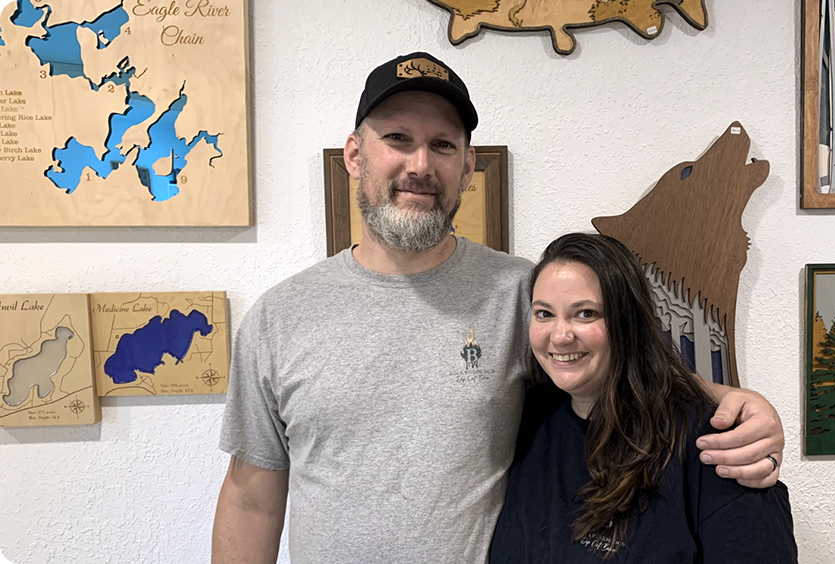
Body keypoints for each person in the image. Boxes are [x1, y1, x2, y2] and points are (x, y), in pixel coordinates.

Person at [212, 52, 786, 564]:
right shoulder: (280, 317)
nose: (420, 164)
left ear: (466, 168)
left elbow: (619, 360)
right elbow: (250, 497)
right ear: (355, 155)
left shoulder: (523, 296)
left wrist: (735, 401)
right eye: (398, 139)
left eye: (442, 145)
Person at [490, 233, 797, 563]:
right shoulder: (531, 420)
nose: (561, 336)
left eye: (586, 314)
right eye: (544, 314)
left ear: (628, 321)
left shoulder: (714, 444)